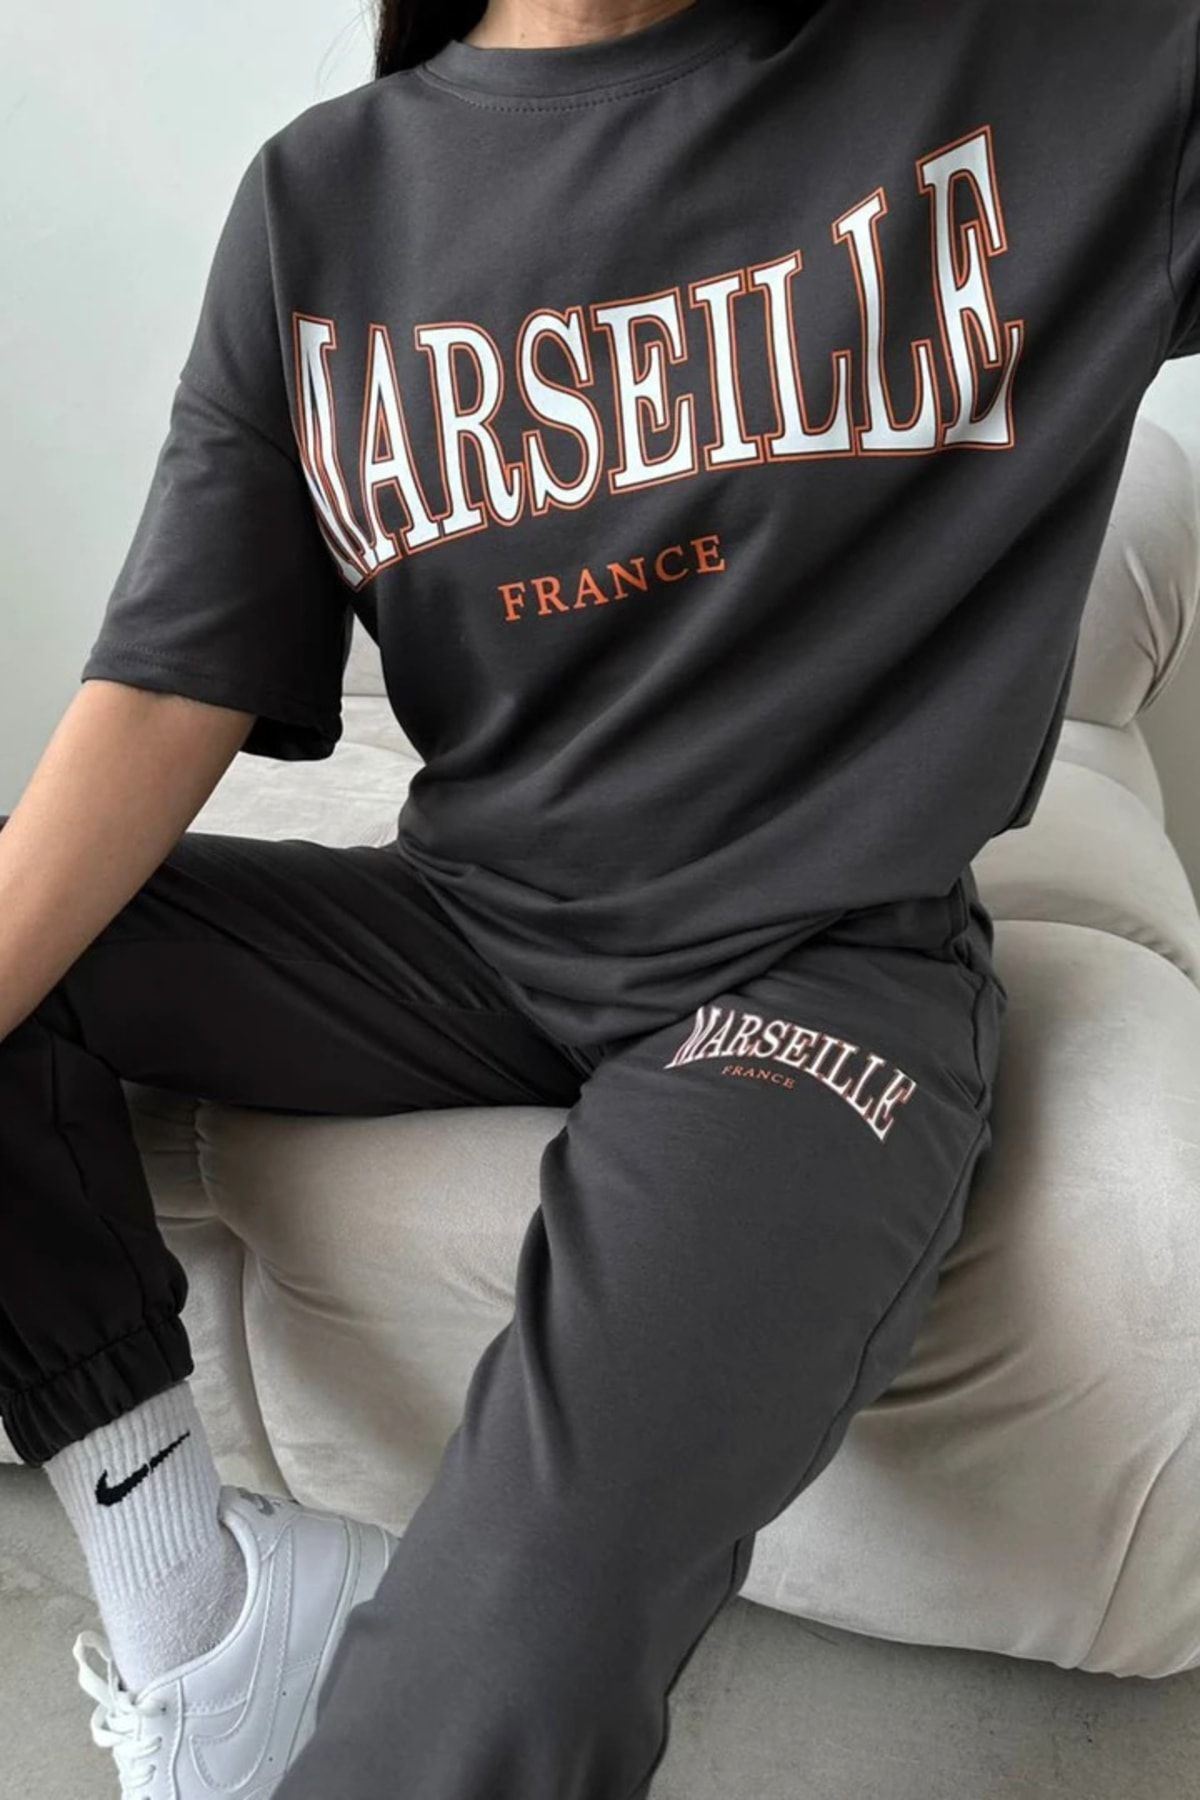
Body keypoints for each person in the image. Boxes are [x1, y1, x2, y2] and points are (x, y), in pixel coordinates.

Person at [1, 0, 1197, 1794]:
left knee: (490, 1663)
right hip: (470, 929)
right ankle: (208, 1622)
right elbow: (171, 682)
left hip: (814, 979)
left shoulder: (1041, 70)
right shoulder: (327, 199)